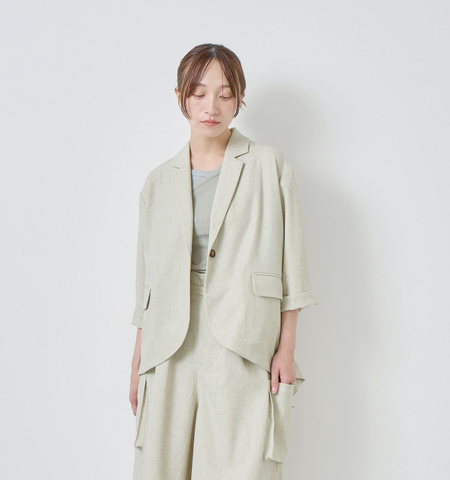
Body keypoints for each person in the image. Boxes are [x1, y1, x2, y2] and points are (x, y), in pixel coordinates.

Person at [129, 43, 318, 480]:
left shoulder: (269, 166)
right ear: (180, 96)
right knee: (161, 465)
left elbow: (292, 266)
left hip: (244, 333)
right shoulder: (157, 182)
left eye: (225, 94)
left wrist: (286, 348)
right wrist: (139, 357)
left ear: (239, 98)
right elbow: (146, 281)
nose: (211, 106)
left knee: (242, 465)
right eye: (198, 93)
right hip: (169, 339)